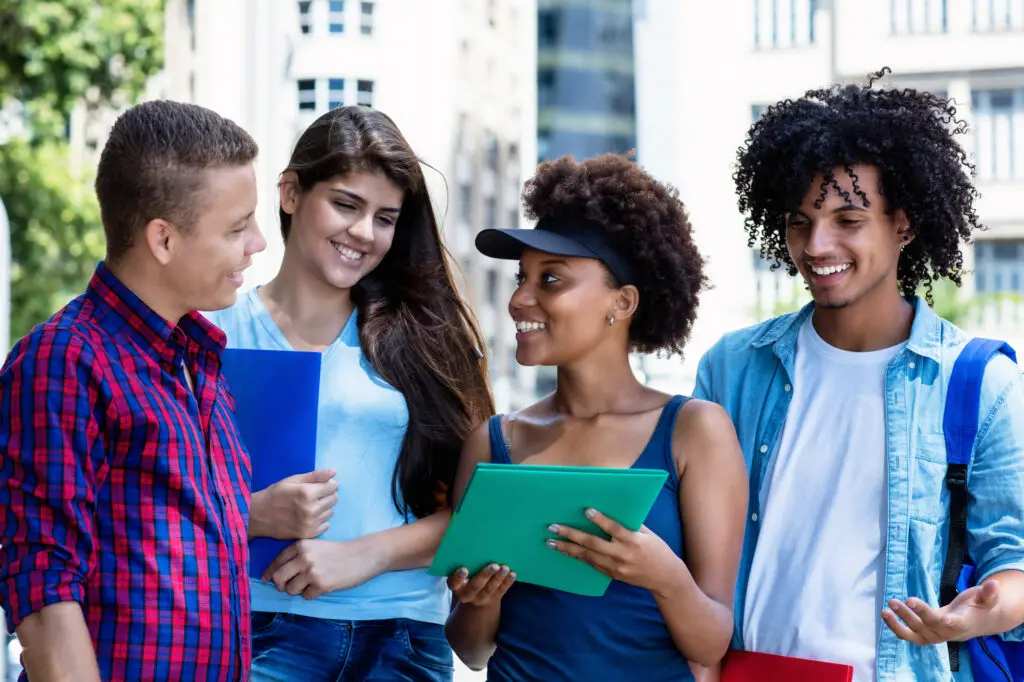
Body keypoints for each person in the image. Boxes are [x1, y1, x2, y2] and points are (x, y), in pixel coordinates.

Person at [694, 69, 1024, 681]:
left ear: (904, 223)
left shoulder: (980, 385)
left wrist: (976, 615)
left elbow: (1015, 560)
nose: (817, 245)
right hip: (748, 670)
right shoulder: (732, 369)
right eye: (799, 221)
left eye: (848, 220)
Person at [204, 105, 493, 682]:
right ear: (290, 193)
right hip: (259, 630)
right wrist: (251, 514)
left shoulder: (430, 343)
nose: (364, 233)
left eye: (385, 217)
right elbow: (155, 500)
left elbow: (476, 510)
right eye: (345, 204)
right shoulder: (214, 332)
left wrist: (363, 556)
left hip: (404, 639)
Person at [443, 153, 749, 681]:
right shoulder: (493, 443)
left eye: (552, 279)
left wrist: (664, 578)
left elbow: (711, 644)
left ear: (623, 301)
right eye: (522, 278)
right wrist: (478, 602)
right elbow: (472, 652)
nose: (519, 299)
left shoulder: (695, 433)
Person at [0, 100, 266, 681]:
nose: (259, 243)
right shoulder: (65, 359)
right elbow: (42, 586)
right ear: (163, 239)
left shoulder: (203, 366)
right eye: (238, 227)